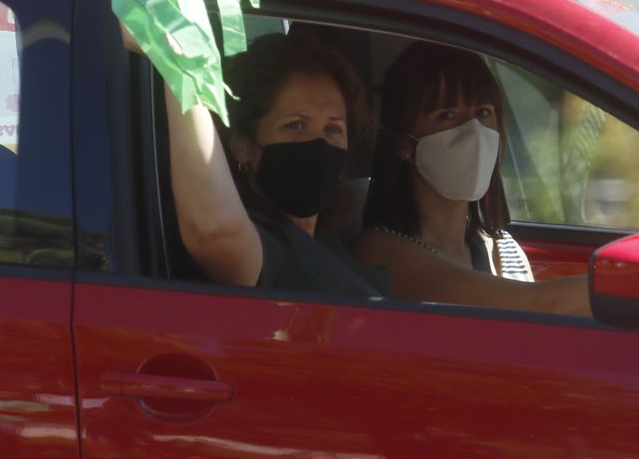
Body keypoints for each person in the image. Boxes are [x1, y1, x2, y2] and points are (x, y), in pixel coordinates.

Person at [130, 27, 385, 297]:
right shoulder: (256, 232)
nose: (319, 143)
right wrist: (179, 64)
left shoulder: (328, 243)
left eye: (333, 129)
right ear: (243, 146)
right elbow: (215, 231)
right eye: (296, 125)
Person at [353, 41, 589, 315]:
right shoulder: (380, 252)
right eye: (447, 115)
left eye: (483, 113)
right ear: (404, 144)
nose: (473, 130)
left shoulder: (503, 247)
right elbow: (536, 306)